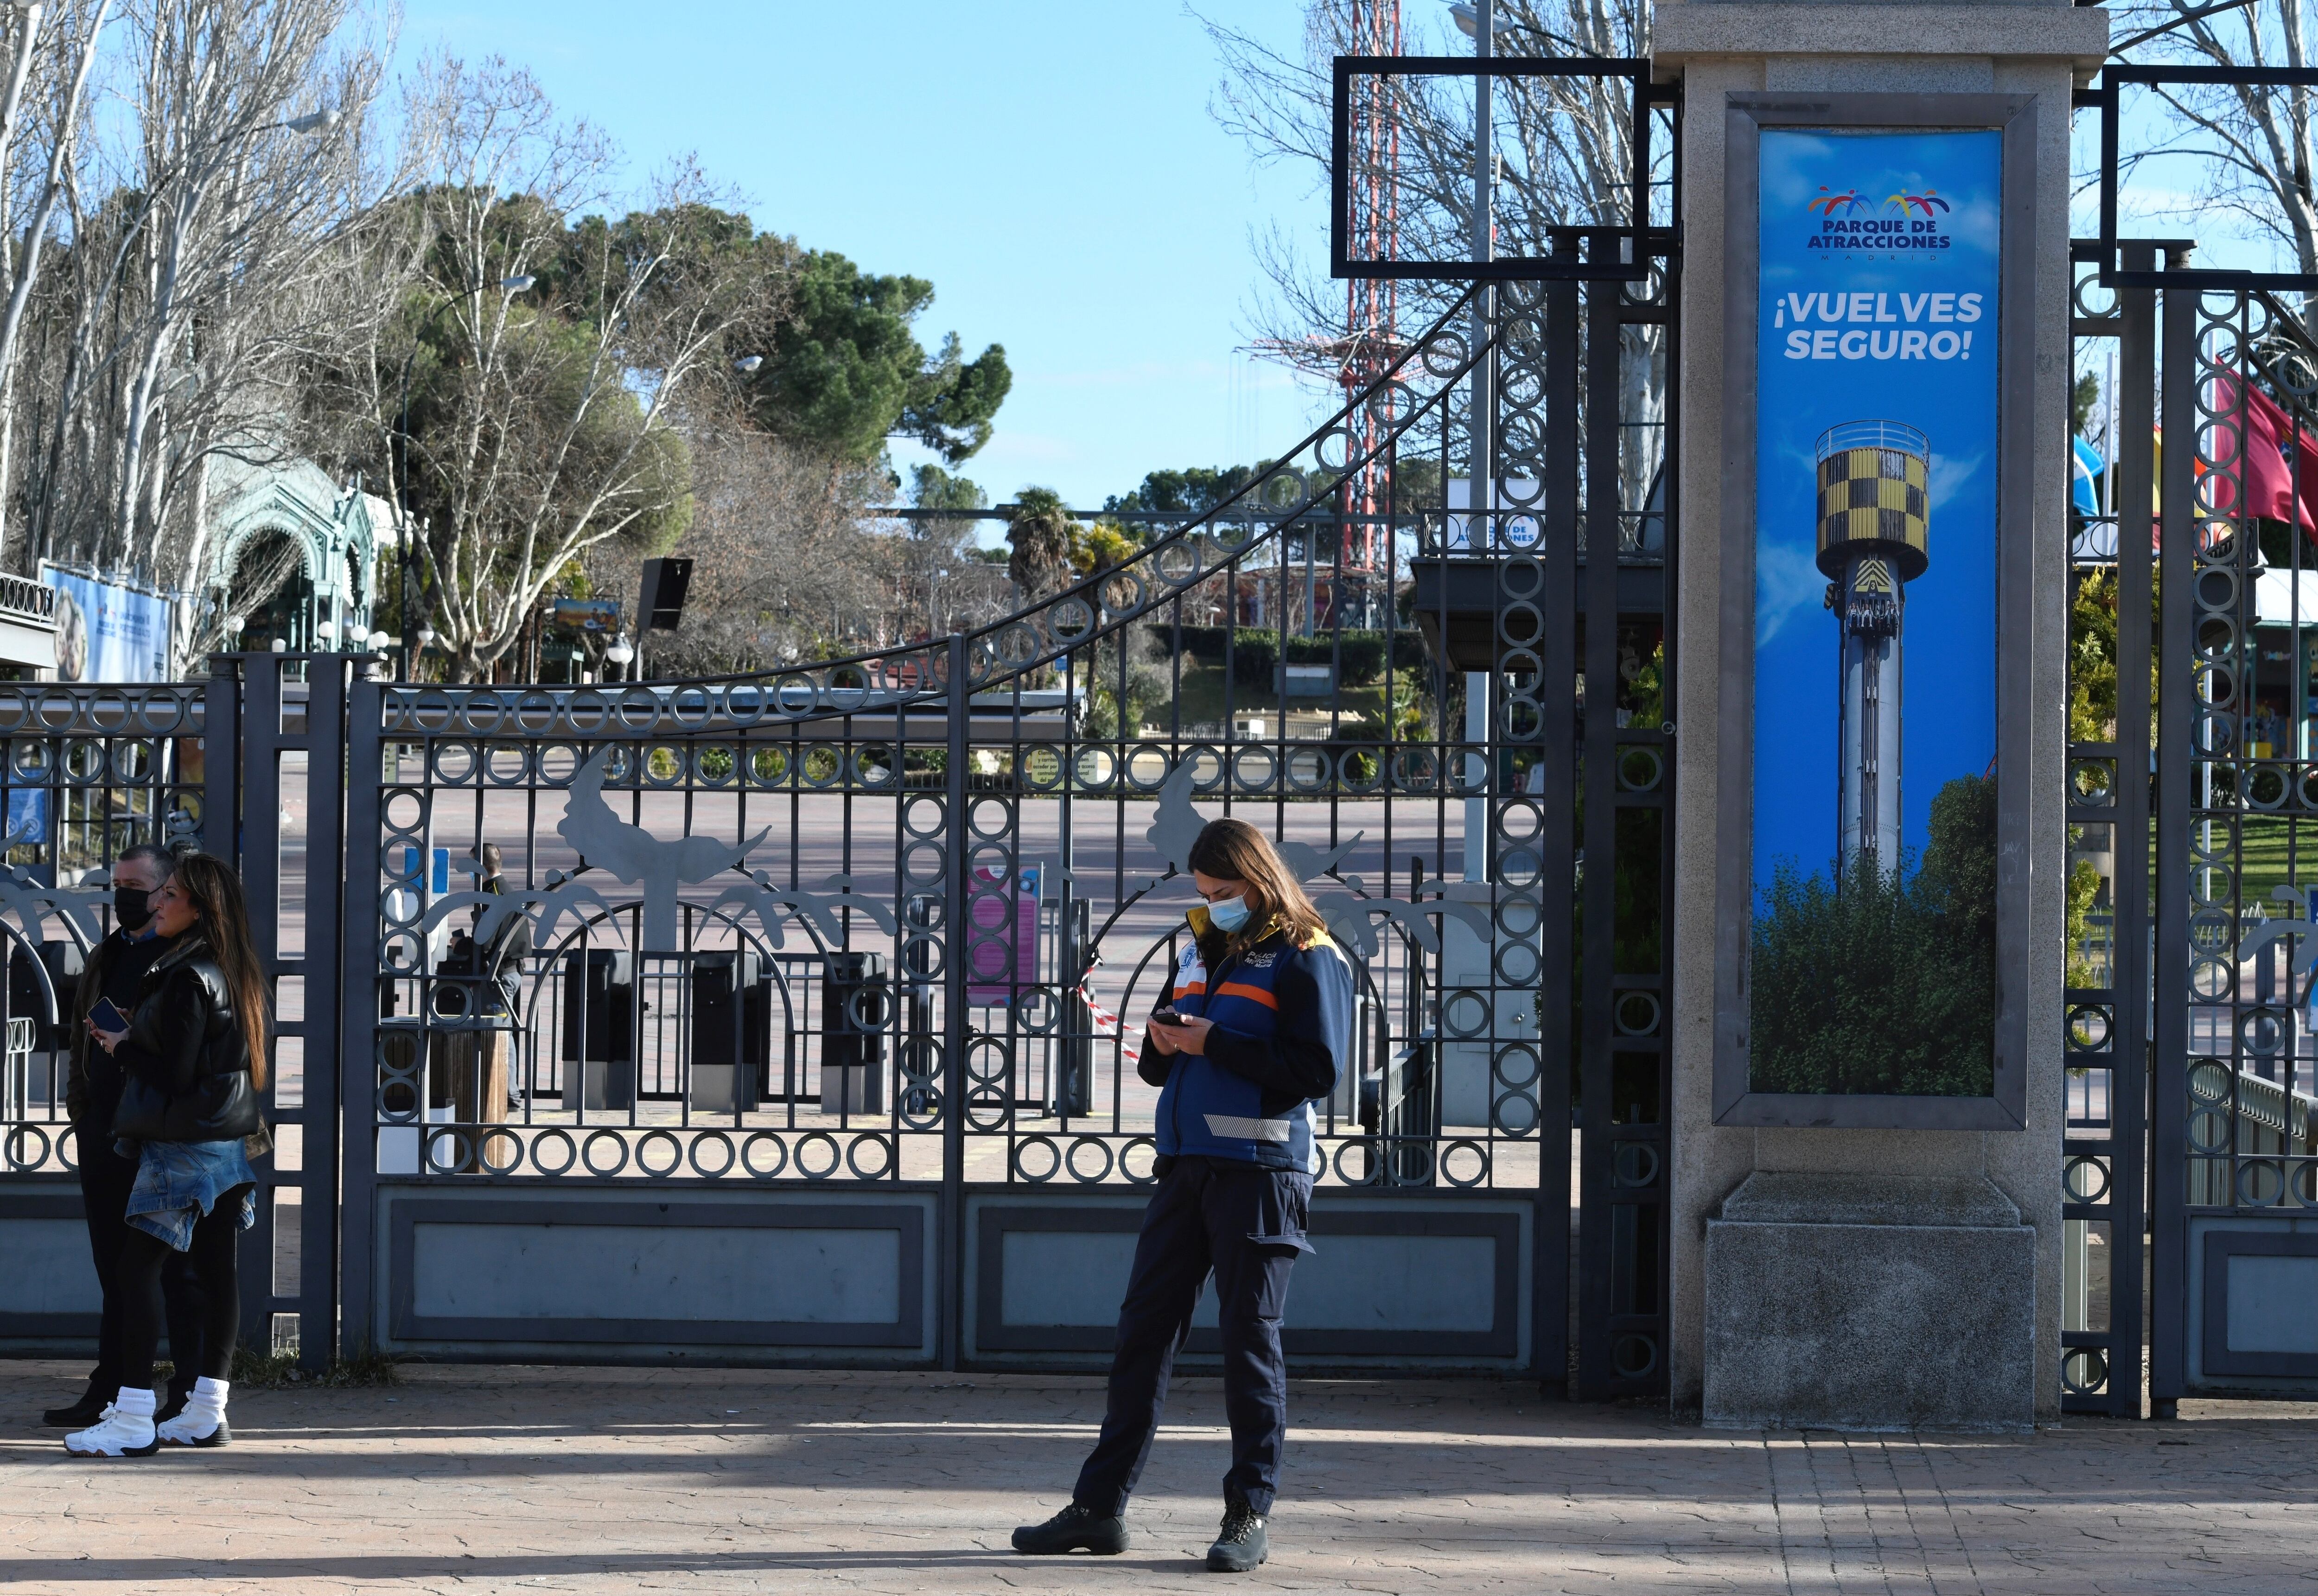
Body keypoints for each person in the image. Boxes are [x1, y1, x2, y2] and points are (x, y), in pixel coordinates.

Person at [1012, 818, 1354, 1573]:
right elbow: (1156, 1069)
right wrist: (1164, 1039)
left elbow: (1321, 1069)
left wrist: (1214, 1042)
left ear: (1259, 878)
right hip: (1186, 1167)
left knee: (1248, 1345)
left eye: (1224, 892)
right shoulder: (1202, 945)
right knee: (1142, 1333)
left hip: (1262, 1173)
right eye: (1203, 893)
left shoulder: (1308, 953)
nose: (1212, 903)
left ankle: (1246, 1514)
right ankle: (1098, 1508)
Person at [64, 852, 269, 1457]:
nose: (156, 901)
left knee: (135, 1272)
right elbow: (207, 1055)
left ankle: (132, 1414)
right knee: (215, 1271)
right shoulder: (230, 966)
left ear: (200, 908)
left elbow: (176, 1074)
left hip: (185, 1147)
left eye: (168, 894)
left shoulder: (187, 973)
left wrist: (124, 1043)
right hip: (225, 1143)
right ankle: (206, 1410)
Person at [45, 844, 208, 1430]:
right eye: (117, 883)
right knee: (113, 1266)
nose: (126, 896)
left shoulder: (190, 958)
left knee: (176, 1270)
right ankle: (109, 1386)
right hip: (105, 1129)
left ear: (167, 890)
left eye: (138, 885)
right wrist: (82, 1108)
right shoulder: (109, 952)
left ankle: (186, 1394)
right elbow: (80, 1032)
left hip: (165, 1136)